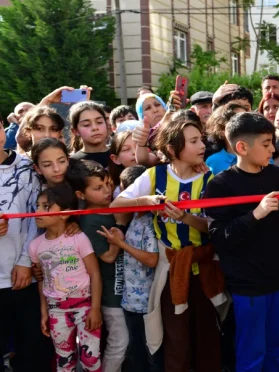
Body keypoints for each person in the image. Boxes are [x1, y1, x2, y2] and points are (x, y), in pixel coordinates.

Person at [112, 118, 228, 372]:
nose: (202, 146)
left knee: (207, 336)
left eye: (201, 139)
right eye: (194, 141)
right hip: (170, 270)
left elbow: (215, 227)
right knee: (176, 339)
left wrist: (186, 217)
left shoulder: (211, 178)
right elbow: (116, 205)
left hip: (204, 267)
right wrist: (146, 200)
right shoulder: (155, 175)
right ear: (173, 149)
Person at [205, 112, 279, 371]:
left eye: (272, 142)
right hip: (248, 283)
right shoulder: (220, 185)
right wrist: (255, 215)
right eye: (266, 143)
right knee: (252, 351)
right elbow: (220, 239)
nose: (273, 148)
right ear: (242, 147)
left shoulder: (275, 175)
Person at [0, 115, 55, 372]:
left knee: (32, 352)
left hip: (23, 278)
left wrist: (24, 261)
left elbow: (37, 218)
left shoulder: (26, 168)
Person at [29, 185, 103, 372]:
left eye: (46, 207)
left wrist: (94, 309)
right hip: (56, 311)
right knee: (64, 361)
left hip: (85, 307)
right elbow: (42, 280)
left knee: (91, 360)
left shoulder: (79, 238)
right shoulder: (35, 246)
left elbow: (94, 274)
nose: (37, 211)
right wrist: (45, 312)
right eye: (37, 206)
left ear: (64, 214)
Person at [97, 164, 163, 372]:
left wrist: (121, 244)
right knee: (136, 354)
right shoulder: (134, 218)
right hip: (130, 301)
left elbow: (152, 259)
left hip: (147, 304)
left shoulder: (151, 223)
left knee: (151, 354)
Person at [68, 160, 128, 372]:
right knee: (119, 341)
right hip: (109, 295)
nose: (107, 191)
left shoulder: (112, 210)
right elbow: (108, 257)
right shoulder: (90, 221)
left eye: (108, 184)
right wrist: (120, 228)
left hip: (122, 290)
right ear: (81, 195)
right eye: (98, 188)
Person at [205, 103, 250, 175]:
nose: (248, 126)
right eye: (240, 122)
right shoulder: (215, 162)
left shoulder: (260, 154)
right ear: (222, 130)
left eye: (249, 120)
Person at [69, 102, 112, 167]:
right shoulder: (72, 163)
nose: (95, 128)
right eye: (86, 125)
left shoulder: (119, 154)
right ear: (76, 131)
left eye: (99, 122)